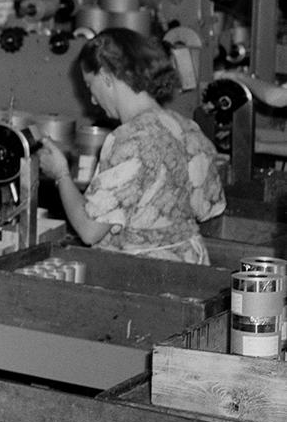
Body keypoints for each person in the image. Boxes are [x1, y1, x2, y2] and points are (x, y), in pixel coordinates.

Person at [38, 29, 224, 264]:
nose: (93, 100)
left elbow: (89, 230)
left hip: (143, 276)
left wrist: (61, 174)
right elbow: (209, 209)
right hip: (190, 266)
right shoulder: (187, 129)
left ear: (106, 76)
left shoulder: (129, 139)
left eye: (90, 86)